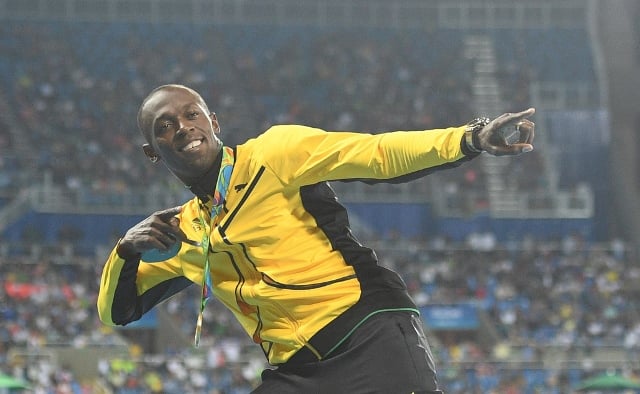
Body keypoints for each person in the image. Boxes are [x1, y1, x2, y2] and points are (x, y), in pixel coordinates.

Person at [97, 83, 535, 393]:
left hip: (368, 334)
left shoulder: (275, 153)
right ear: (153, 152)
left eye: (192, 114)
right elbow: (118, 311)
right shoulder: (183, 233)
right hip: (297, 372)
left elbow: (378, 155)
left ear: (212, 121)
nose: (183, 126)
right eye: (165, 125)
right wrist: (125, 251)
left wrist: (470, 138)